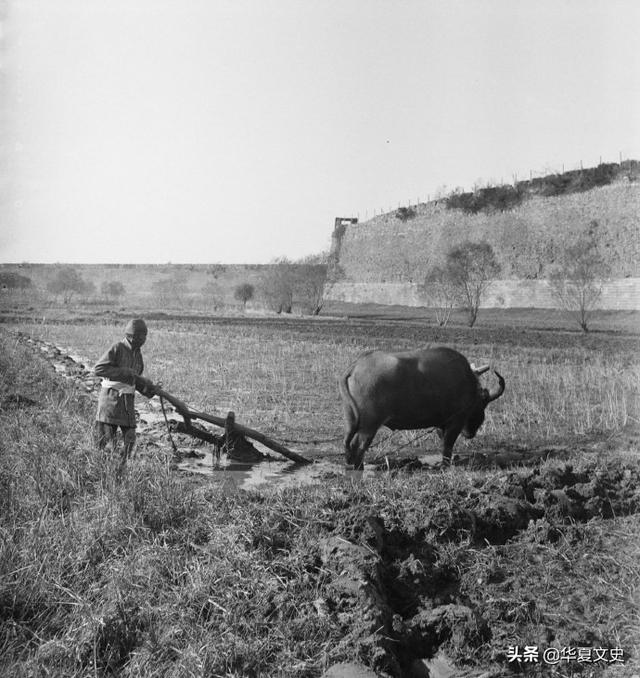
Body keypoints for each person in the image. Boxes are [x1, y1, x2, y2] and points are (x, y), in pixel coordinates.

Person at [93, 318, 157, 472]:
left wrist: (150, 390)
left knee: (130, 439)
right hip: (111, 401)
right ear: (132, 337)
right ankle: (101, 471)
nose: (144, 340)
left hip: (127, 404)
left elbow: (135, 381)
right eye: (141, 337)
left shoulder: (138, 354)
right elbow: (98, 369)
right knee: (107, 441)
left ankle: (122, 469)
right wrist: (124, 372)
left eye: (145, 337)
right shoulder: (118, 348)